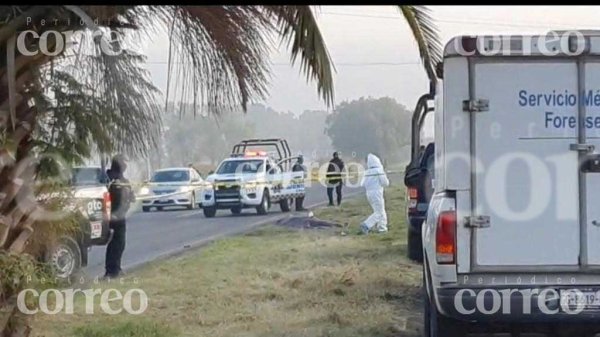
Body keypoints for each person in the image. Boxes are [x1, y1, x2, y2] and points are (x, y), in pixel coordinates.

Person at [104, 154, 135, 279]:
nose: (126, 165)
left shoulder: (124, 181)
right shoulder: (109, 179)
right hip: (111, 215)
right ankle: (110, 271)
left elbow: (129, 195)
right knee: (114, 244)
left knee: (120, 243)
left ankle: (117, 268)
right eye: (124, 162)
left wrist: (131, 197)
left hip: (121, 215)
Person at [359, 153, 390, 234]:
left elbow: (362, 184)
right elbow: (385, 183)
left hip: (369, 193)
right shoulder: (379, 171)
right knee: (379, 212)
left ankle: (382, 228)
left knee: (380, 210)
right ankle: (366, 224)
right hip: (377, 193)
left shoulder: (367, 172)